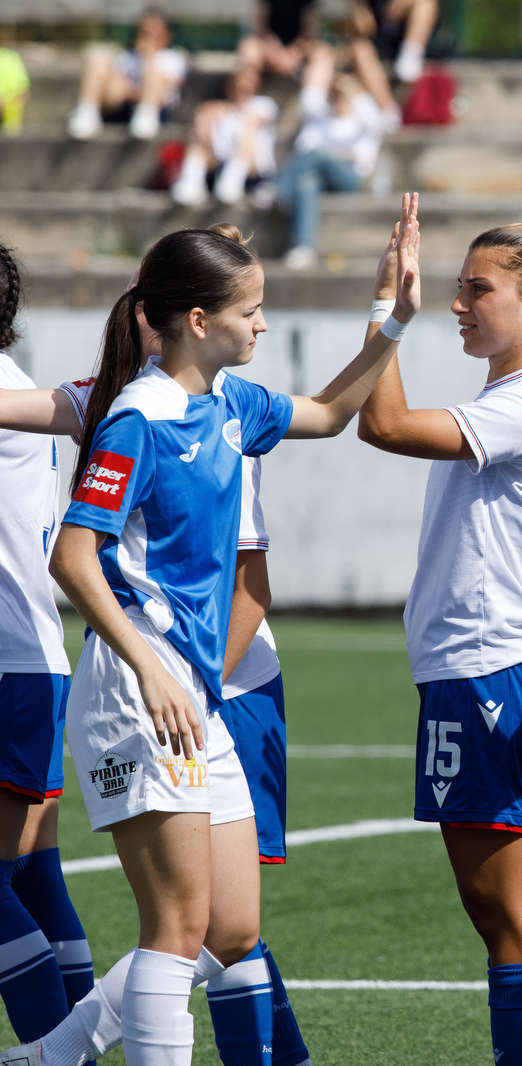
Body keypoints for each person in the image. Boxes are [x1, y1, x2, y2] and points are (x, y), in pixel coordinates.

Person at [2, 208, 418, 1066]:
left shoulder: (231, 401)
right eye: (251, 308)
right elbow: (72, 559)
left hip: (193, 694)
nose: (264, 322)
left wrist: (394, 313)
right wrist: (145, 663)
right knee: (177, 925)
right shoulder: (137, 418)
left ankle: (51, 1055)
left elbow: (334, 410)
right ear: (199, 321)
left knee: (231, 927)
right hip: (136, 691)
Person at [355, 215, 522, 1063]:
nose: (458, 303)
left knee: (508, 911)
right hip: (480, 671)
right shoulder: (512, 397)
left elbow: (379, 424)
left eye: (475, 290)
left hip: (488, 672)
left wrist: (392, 308)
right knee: (498, 909)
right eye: (456, 287)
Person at [0, 239, 97, 1046]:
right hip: (34, 659)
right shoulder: (22, 392)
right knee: (33, 874)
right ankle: (66, 1043)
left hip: (7, 664)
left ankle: (51, 1050)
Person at [277, 44, 389, 270]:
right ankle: (302, 247)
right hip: (319, 177)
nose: (338, 96)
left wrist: (353, 91)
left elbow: (381, 125)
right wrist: (325, 62)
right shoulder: (320, 118)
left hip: (351, 180)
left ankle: (276, 189)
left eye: (342, 93)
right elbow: (304, 146)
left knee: (318, 154)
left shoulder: (363, 120)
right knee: (305, 183)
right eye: (334, 91)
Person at [67, 8, 187, 142]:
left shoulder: (173, 58)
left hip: (158, 112)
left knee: (154, 74)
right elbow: (114, 92)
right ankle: (86, 113)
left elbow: (166, 88)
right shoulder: (128, 57)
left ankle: (146, 114)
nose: (148, 38)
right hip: (123, 109)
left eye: (154, 32)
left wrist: (149, 58)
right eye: (144, 32)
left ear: (166, 34)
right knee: (97, 58)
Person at [171, 66, 279, 209]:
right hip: (219, 167)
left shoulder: (262, 104)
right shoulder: (217, 110)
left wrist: (226, 108)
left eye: (248, 87)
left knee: (249, 127)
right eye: (238, 87)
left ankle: (232, 178)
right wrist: (205, 118)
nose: (243, 91)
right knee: (201, 122)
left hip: (254, 171)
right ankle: (192, 179)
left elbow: (259, 118)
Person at [349, 0, 439, 83]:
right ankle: (388, 101)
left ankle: (410, 56)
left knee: (425, 3)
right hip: (380, 41)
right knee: (360, 48)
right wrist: (358, 9)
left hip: (418, 42)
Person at [238, 0, 320, 81]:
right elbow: (261, 25)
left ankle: (313, 93)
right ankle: (249, 91)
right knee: (249, 49)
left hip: (300, 48)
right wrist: (276, 51)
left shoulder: (308, 2)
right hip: (268, 46)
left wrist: (294, 52)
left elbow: (308, 31)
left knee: (322, 54)